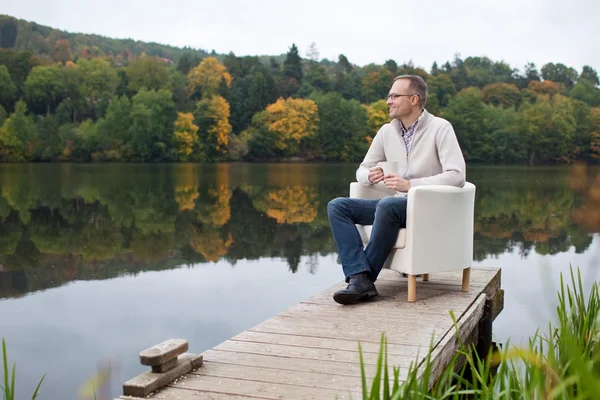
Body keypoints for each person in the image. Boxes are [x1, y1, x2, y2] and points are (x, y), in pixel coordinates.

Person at [327, 75, 466, 305]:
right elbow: (362, 169)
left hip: (426, 206)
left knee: (388, 204)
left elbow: (457, 175)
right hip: (393, 207)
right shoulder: (386, 132)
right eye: (388, 96)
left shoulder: (440, 128)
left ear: (414, 99)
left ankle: (362, 280)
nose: (388, 101)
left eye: (394, 96)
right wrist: (369, 176)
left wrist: (411, 185)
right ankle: (360, 277)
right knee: (338, 206)